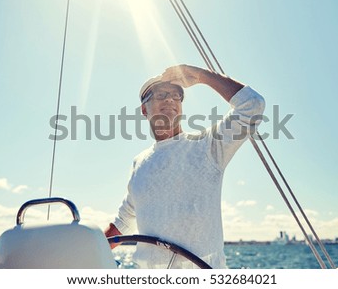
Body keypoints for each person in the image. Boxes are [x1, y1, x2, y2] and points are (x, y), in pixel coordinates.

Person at [104, 64, 265, 268]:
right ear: (144, 109)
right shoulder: (140, 162)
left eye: (177, 96)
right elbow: (123, 222)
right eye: (161, 94)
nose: (170, 99)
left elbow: (252, 105)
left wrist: (201, 76)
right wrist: (86, 252)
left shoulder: (208, 145)